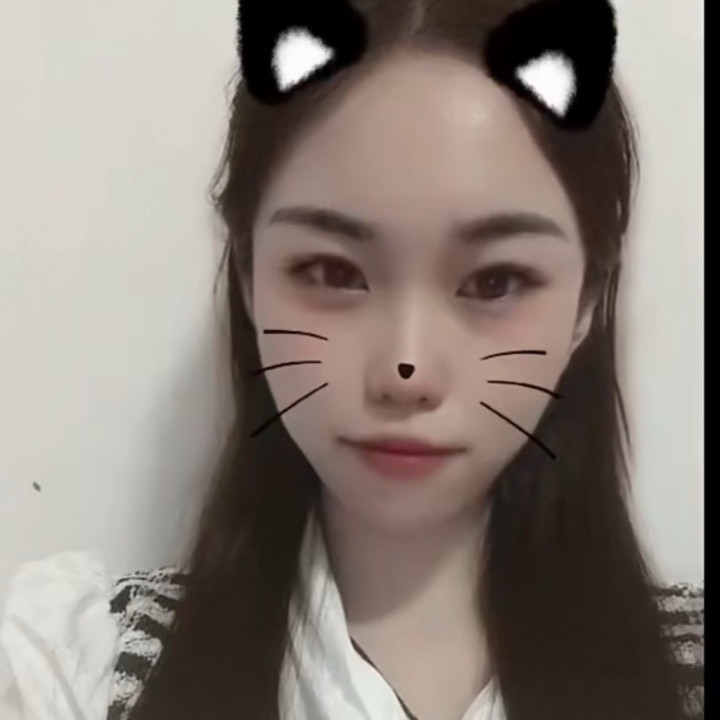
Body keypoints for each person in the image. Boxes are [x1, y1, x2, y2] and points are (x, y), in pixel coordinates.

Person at [0, 0, 704, 719]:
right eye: (333, 272)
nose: (406, 370)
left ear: (587, 299)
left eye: (496, 282)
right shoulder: (78, 673)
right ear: (247, 275)